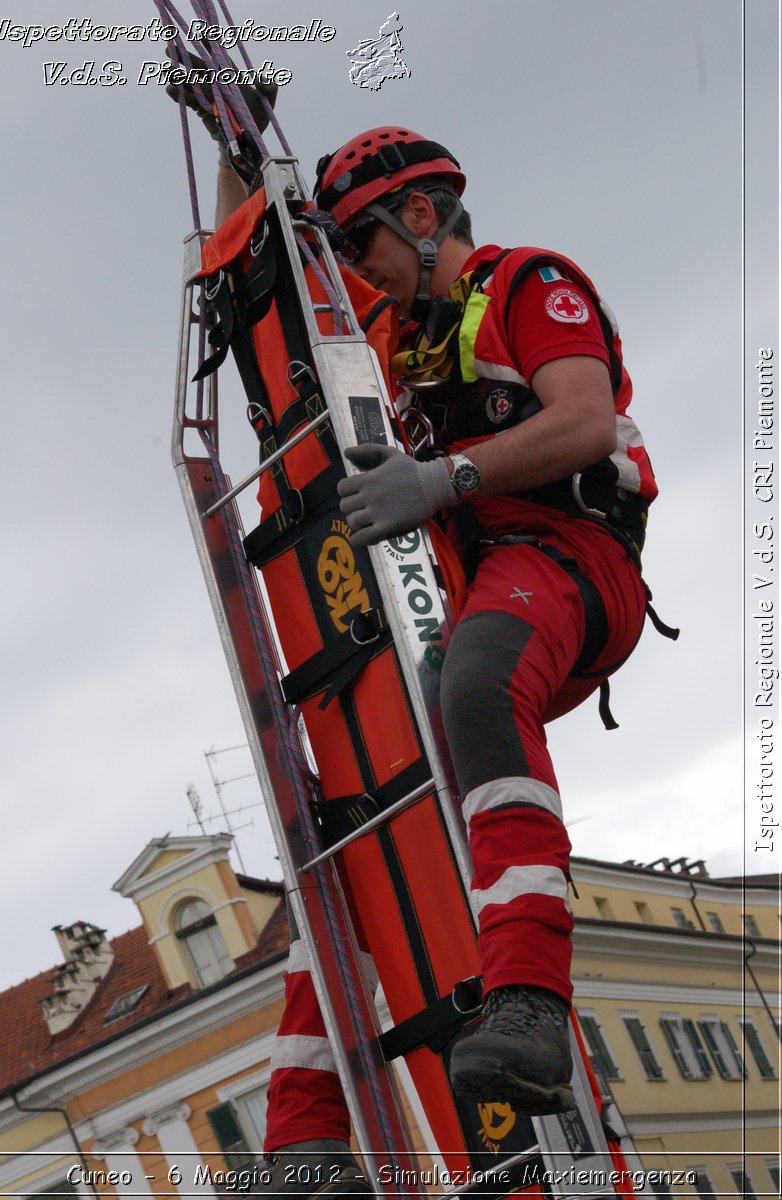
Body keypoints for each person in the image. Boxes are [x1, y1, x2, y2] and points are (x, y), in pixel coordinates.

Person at [179, 89, 662, 1193]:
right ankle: (306, 1130)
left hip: (568, 562)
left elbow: (584, 419)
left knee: (477, 685)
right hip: (466, 575)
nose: (363, 267)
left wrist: (442, 475)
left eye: (368, 242)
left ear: (428, 215)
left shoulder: (525, 286)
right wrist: (235, 154)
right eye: (348, 247)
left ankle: (531, 999)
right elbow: (268, 277)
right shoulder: (399, 332)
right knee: (358, 819)